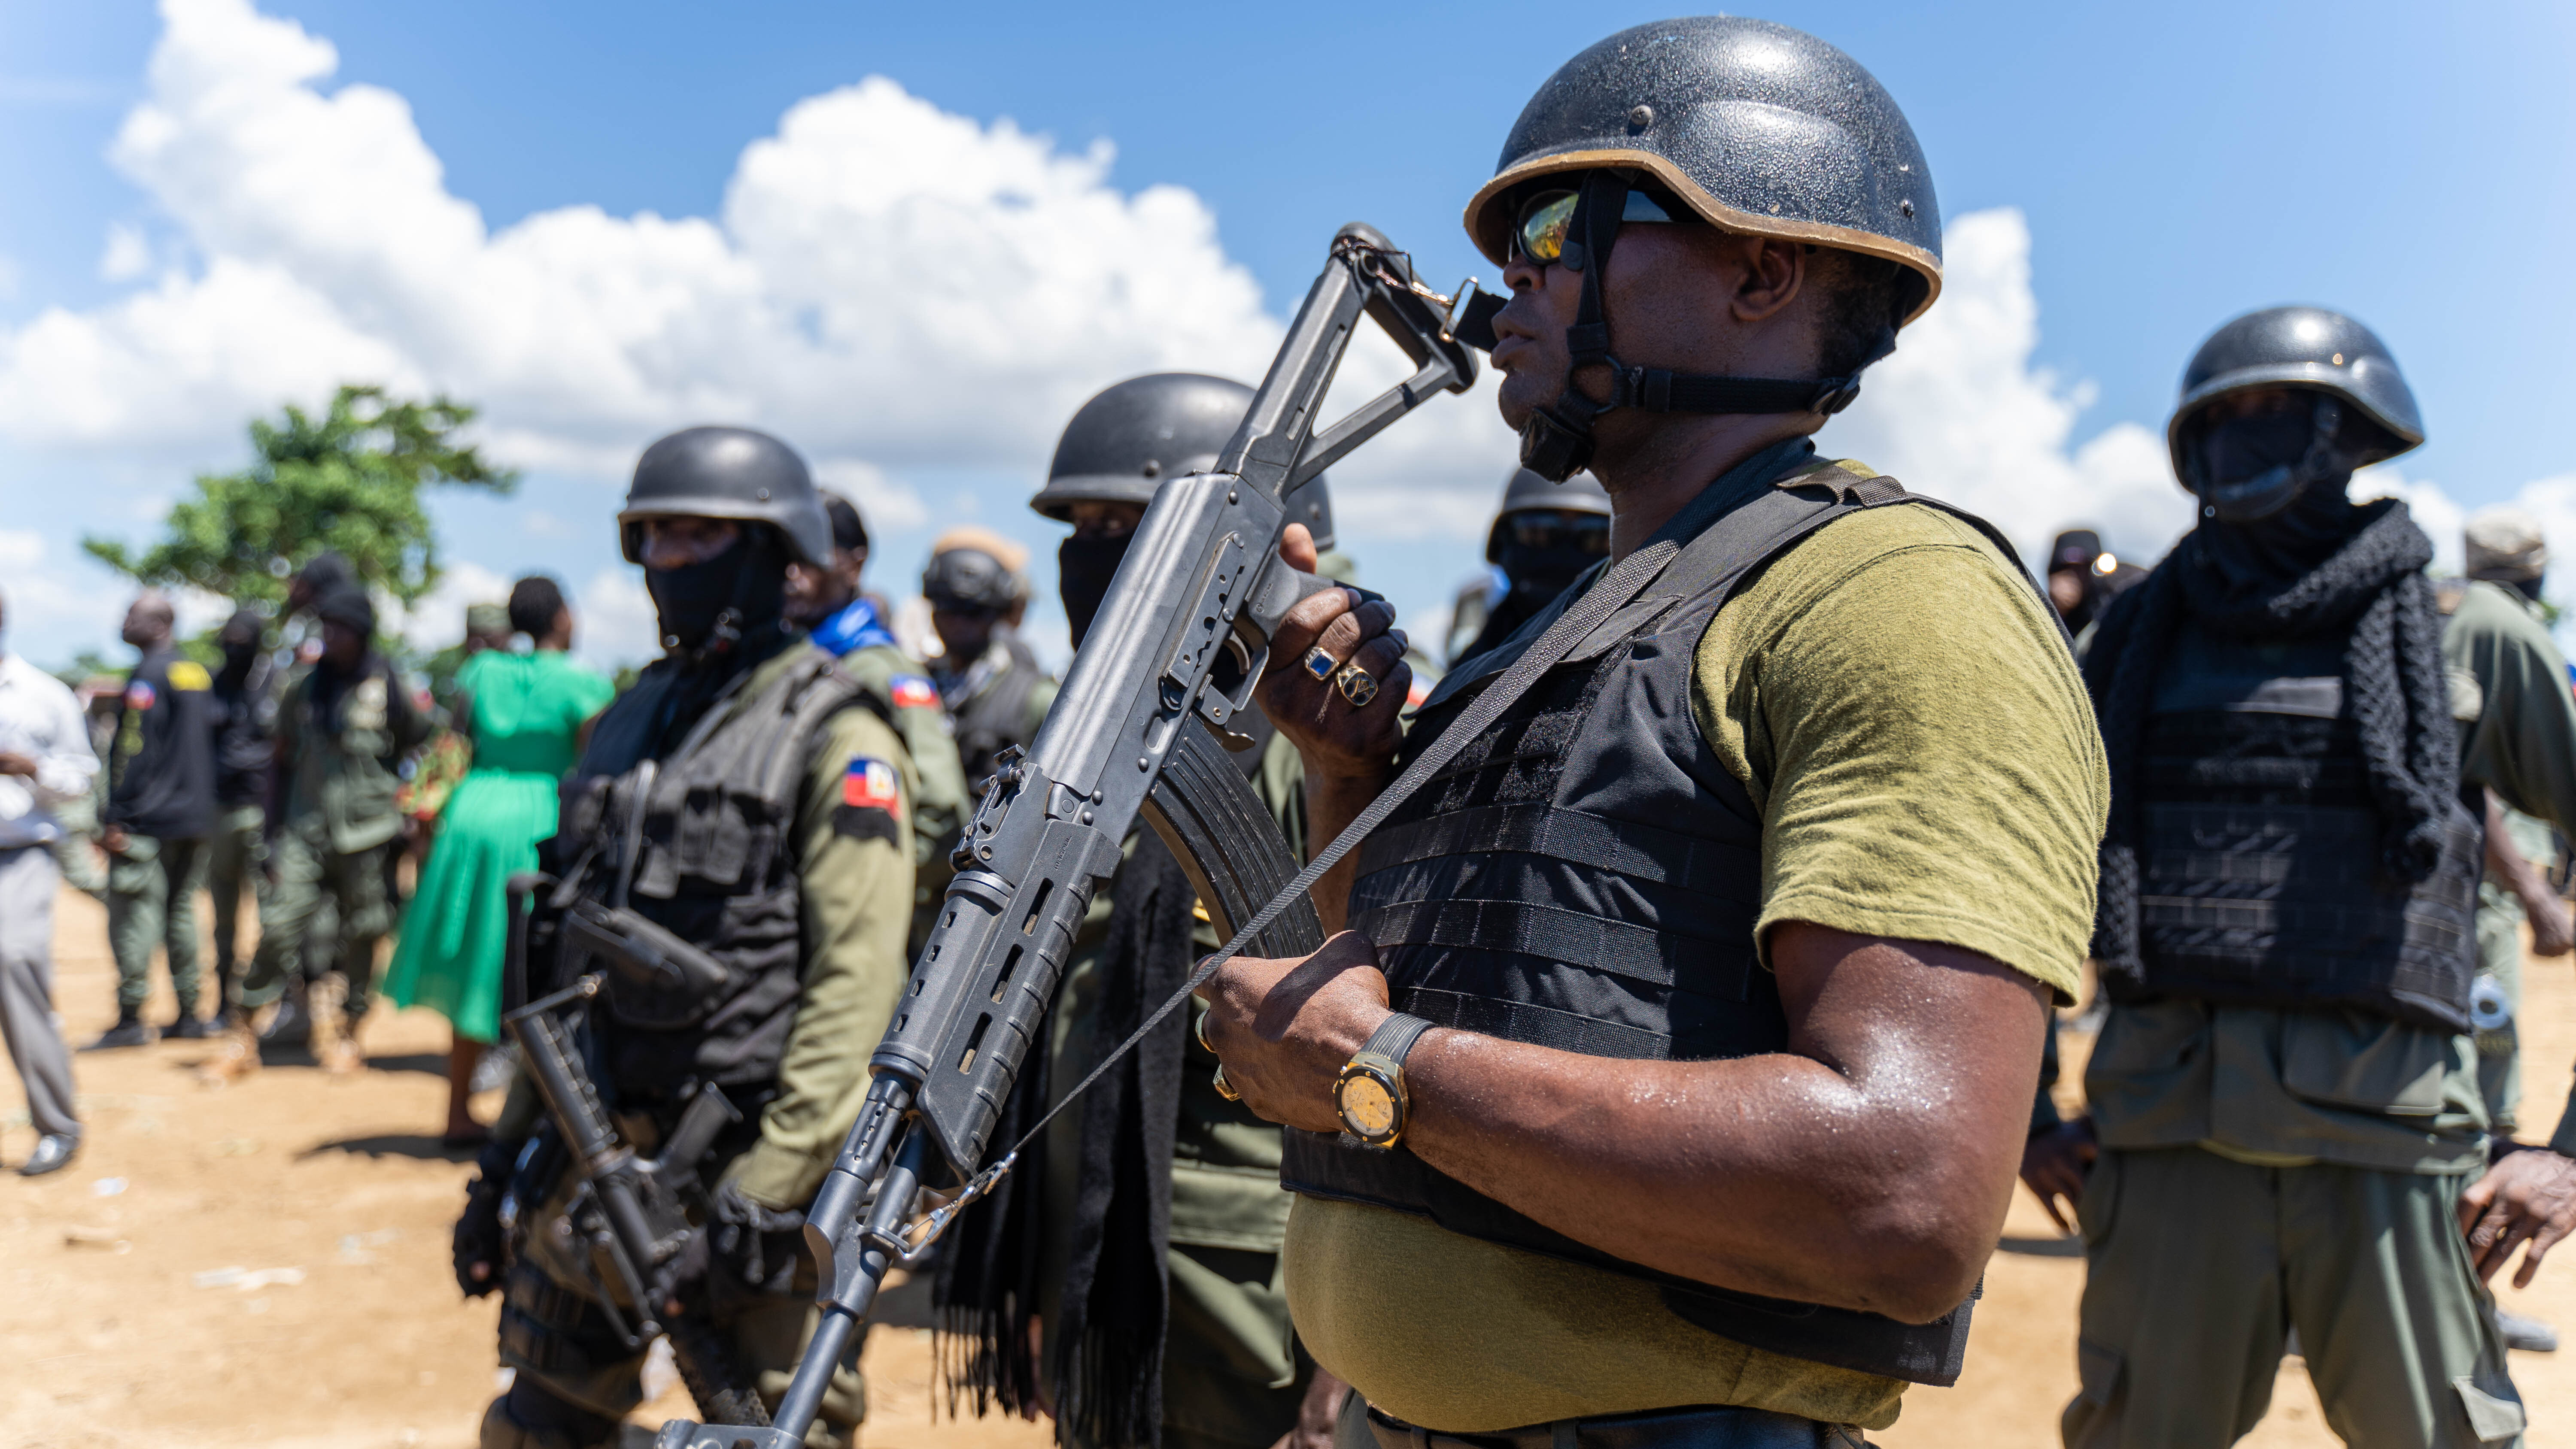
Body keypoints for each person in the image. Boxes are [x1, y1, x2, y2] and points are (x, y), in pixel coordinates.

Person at [1194, 21, 2106, 1446]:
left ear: (1760, 269)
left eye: (1557, 229)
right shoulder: (1580, 622)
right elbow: (1468, 970)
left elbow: (1903, 1195)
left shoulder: (1899, 602)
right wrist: (1345, 769)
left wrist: (1380, 1076)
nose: (1510, 285)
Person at [2017, 306, 2576, 1446]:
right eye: (2230, 415)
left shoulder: (2467, 636)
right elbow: (2006, 878)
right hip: (2167, 1157)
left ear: (2354, 435)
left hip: (2397, 1167)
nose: (2254, 436)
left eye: (2287, 411)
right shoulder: (2132, 644)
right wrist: (2026, 1111)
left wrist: (2569, 1154)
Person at [450, 426, 917, 1449]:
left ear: (771, 548)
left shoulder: (837, 730)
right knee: (535, 1425)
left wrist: (773, 1189)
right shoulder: (627, 721)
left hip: (750, 1177)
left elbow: (857, 983)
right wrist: (500, 1168)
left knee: (772, 1432)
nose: (666, 561)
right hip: (593, 1155)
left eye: (696, 536)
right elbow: (558, 972)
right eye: (651, 537)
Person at [938, 371, 1349, 1449]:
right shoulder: (1093, 747)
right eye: (1086, 529)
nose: (1098, 555)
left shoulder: (1332, 735)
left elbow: (1403, 1058)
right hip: (1108, 1274)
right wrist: (1044, 1269)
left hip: (1259, 1307)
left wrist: (1346, 1376)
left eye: (1133, 527)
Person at [383, 577, 613, 1147]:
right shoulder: (584, 683)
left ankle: (458, 1112)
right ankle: (534, 1123)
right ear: (562, 618)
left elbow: (454, 745)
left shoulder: (481, 671)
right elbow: (596, 761)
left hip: (471, 818)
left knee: (472, 967)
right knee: (532, 971)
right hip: (541, 820)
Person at [2437, 503, 2576, 1355]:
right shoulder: (2501, 636)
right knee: (2485, 1096)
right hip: (2477, 913)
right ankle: (2460, 1311)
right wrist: (2535, 894)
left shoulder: (2439, 616)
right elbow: (2482, 797)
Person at [200, 585, 430, 1080]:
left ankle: (349, 1034)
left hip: (370, 835)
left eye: (342, 628)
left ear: (363, 632)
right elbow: (278, 762)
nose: (332, 637)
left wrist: (412, 812)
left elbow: (426, 744)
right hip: (305, 832)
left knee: (366, 932)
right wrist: (272, 832)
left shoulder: (391, 684)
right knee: (279, 926)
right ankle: (242, 1032)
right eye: (327, 627)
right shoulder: (303, 687)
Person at [785, 489, 972, 951]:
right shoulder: (791, 663)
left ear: (854, 562)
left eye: (812, 554)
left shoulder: (881, 671)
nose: (794, 573)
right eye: (786, 553)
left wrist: (858, 879)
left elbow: (944, 814)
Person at [89, 590, 222, 1047]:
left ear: (161, 623)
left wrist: (115, 813)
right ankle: (190, 1014)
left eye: (133, 615)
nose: (123, 622)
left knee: (134, 915)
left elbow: (133, 748)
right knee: (183, 912)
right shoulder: (195, 672)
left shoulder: (147, 675)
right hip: (197, 815)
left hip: (151, 819)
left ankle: (131, 1017)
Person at [0, 587, 97, 1176]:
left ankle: (57, 1125)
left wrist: (31, 767)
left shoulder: (43, 695)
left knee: (15, 963)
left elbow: (82, 778)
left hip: (20, 853)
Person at [921, 526, 1055, 792]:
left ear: (997, 613)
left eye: (974, 612)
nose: (960, 623)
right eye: (949, 607)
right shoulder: (917, 686)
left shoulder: (1036, 699)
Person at [1442, 466, 1612, 667]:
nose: (1562, 555)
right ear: (1503, 541)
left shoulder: (1637, 663)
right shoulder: (1471, 670)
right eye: (1540, 531)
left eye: (1594, 535)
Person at [205, 609, 276, 1011]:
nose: (233, 649)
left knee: (271, 913)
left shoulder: (274, 683)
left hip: (261, 814)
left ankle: (266, 998)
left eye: (241, 642)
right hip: (220, 813)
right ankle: (223, 1001)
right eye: (228, 642)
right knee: (223, 917)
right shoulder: (214, 685)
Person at [2041, 529, 2146, 652]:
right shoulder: (2045, 612)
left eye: (2083, 568)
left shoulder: (2118, 586)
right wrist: (2055, 611)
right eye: (2066, 570)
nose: (2075, 577)